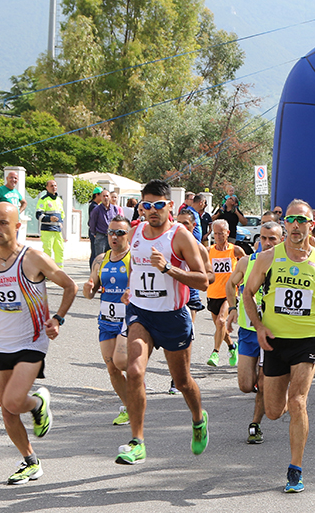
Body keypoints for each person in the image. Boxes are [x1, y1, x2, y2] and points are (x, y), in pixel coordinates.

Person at [0, 202, 77, 484]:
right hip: (1, 344)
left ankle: (37, 402)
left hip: (32, 340)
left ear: (17, 226)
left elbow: (70, 285)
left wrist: (58, 318)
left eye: (3, 223)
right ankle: (30, 461)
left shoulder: (33, 258)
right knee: (8, 412)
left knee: (12, 400)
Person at [241, 199, 315, 492]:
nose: (296, 226)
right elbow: (248, 294)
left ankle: (295, 469)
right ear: (284, 222)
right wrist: (259, 326)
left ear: (311, 224)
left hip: (307, 340)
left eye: (302, 221)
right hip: (275, 341)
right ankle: (289, 414)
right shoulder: (267, 258)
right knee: (275, 411)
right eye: (291, 220)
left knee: (298, 401)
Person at [116, 179, 210, 465]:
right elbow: (134, 266)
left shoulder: (180, 236)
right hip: (141, 313)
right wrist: (131, 288)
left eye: (159, 205)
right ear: (141, 207)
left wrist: (168, 268)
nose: (152, 210)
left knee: (182, 382)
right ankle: (138, 442)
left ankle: (198, 418)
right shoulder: (135, 233)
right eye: (147, 205)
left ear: (170, 206)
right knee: (133, 371)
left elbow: (204, 280)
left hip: (172, 316)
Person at [225, 221, 284, 444]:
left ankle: (255, 424)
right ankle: (271, 391)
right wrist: (232, 308)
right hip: (249, 331)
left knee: (262, 379)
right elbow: (230, 285)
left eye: (272, 239)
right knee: (245, 385)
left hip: (273, 334)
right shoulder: (246, 262)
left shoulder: (285, 264)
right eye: (263, 238)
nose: (267, 243)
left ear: (281, 241)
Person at [84, 215, 132, 426]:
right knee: (112, 368)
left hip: (128, 319)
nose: (114, 236)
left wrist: (132, 293)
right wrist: (88, 288)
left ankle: (137, 387)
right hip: (106, 318)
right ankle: (129, 405)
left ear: (128, 234)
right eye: (111, 232)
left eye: (120, 232)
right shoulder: (100, 259)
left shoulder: (133, 258)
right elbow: (91, 291)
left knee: (123, 362)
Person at [206, 219, 244, 367]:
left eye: (221, 233)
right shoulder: (209, 251)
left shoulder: (235, 250)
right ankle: (232, 347)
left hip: (229, 294)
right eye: (215, 234)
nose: (218, 236)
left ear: (227, 233)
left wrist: (241, 278)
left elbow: (247, 265)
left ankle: (215, 353)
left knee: (221, 321)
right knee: (219, 327)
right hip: (212, 293)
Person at [36, 179, 65, 268]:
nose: (54, 188)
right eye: (51, 186)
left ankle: (59, 271)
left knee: (60, 250)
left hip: (58, 230)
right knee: (47, 251)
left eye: (55, 186)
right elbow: (38, 215)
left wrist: (61, 222)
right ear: (47, 188)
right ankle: (46, 272)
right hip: (47, 230)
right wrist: (49, 218)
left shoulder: (59, 200)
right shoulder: (43, 200)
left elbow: (62, 214)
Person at [89, 190, 118, 270]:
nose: (105, 198)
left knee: (112, 256)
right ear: (101, 198)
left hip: (112, 236)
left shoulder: (114, 209)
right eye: (104, 196)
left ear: (110, 197)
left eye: (107, 196)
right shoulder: (96, 209)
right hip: (101, 236)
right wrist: (94, 233)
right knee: (100, 257)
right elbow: (92, 223)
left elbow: (117, 221)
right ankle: (98, 275)